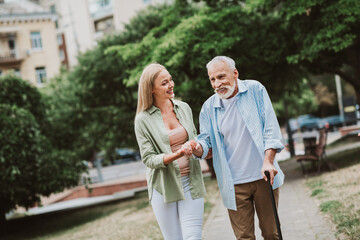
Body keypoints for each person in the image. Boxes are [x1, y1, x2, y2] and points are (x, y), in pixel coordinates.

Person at [184, 56, 285, 240]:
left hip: (263, 176)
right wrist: (196, 147)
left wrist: (268, 161)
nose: (217, 84)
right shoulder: (208, 108)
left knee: (272, 233)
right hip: (234, 184)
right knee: (244, 237)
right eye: (212, 79)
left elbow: (271, 129)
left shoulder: (255, 90)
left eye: (222, 77)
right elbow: (206, 145)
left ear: (235, 73)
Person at [134, 63, 206, 240]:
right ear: (151, 89)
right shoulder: (142, 120)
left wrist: (196, 146)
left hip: (191, 181)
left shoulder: (184, 108)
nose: (171, 84)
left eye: (171, 79)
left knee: (193, 237)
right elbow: (149, 159)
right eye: (164, 82)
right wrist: (178, 154)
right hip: (164, 187)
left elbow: (195, 137)